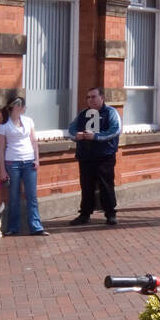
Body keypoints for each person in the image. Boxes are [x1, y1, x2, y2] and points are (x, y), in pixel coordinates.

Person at [67, 87, 121, 226]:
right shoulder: (83, 113)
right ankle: (84, 214)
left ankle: (110, 214)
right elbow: (71, 129)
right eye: (88, 97)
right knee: (86, 186)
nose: (90, 100)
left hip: (104, 156)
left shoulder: (110, 112)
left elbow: (115, 130)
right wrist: (76, 136)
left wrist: (96, 136)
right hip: (86, 156)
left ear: (101, 98)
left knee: (106, 185)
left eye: (93, 96)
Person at [0, 95, 47, 236]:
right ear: (16, 107)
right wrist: (2, 170)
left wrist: (37, 159)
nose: (24, 108)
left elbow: (34, 141)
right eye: (22, 106)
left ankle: (36, 227)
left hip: (29, 161)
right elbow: (0, 149)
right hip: (12, 162)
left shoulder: (28, 121)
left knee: (32, 195)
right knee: (14, 196)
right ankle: (13, 227)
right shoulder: (3, 126)